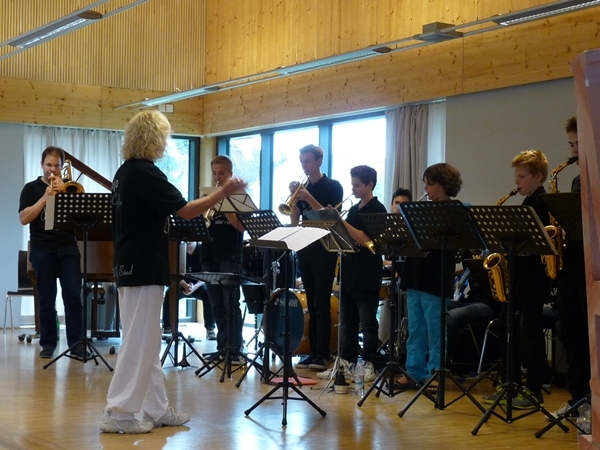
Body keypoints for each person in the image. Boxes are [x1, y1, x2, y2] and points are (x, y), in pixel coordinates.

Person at [100, 110, 246, 434]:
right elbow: (187, 210)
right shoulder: (145, 173)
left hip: (130, 265)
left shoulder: (125, 172)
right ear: (153, 138)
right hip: (142, 267)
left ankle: (155, 408)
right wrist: (223, 192)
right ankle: (119, 412)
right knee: (139, 342)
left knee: (147, 341)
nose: (166, 144)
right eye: (164, 137)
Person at [482, 150, 551, 409]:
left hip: (533, 277)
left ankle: (534, 389)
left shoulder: (542, 203)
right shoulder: (527, 202)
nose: (516, 181)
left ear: (538, 176)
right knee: (505, 324)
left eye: (521, 177)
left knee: (530, 331)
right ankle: (508, 382)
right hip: (519, 275)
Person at [396, 163, 462, 393]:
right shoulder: (421, 210)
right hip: (415, 272)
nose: (425, 188)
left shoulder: (454, 210)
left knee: (436, 328)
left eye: (429, 184)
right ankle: (413, 371)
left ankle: (436, 372)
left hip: (436, 274)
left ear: (442, 185)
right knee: (415, 328)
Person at [317, 165, 387, 382]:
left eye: (357, 185)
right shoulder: (354, 209)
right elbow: (345, 237)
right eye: (352, 185)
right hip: (349, 271)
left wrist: (341, 220)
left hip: (367, 273)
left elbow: (366, 240)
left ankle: (369, 363)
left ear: (370, 185)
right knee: (347, 323)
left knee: (368, 323)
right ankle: (347, 363)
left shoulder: (377, 209)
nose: (353, 189)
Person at [18, 146, 86, 359]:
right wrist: (45, 197)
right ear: (42, 165)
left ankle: (76, 343)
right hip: (42, 248)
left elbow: (81, 218)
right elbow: (24, 218)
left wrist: (65, 193)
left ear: (62, 167)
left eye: (56, 166)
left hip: (68, 248)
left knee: (73, 296)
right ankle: (48, 344)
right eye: (49, 165)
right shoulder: (31, 189)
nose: (52, 170)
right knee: (47, 298)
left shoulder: (70, 188)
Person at [290, 144, 343, 371]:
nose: (304, 165)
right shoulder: (303, 188)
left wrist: (308, 197)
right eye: (302, 162)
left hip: (324, 249)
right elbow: (295, 221)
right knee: (311, 302)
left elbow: (330, 216)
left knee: (321, 303)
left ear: (319, 161)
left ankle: (323, 354)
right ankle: (312, 353)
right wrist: (294, 200)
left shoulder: (333, 186)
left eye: (308, 161)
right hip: (305, 247)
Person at [551, 117, 590, 418]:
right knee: (572, 332)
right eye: (571, 144)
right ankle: (578, 399)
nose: (574, 150)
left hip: (593, 268)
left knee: (591, 337)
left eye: (579, 143)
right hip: (574, 264)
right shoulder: (577, 180)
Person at [201, 155, 246, 364]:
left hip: (230, 253)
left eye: (222, 173)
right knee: (216, 303)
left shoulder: (240, 196)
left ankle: (235, 348)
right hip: (209, 253)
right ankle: (222, 347)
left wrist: (223, 206)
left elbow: (242, 227)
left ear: (230, 173)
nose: (217, 177)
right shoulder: (211, 195)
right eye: (214, 173)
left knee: (230, 303)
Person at [446, 254, 501, 372]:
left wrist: (480, 266)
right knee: (436, 307)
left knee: (452, 316)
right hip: (469, 299)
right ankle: (424, 360)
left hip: (489, 304)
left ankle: (444, 363)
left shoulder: (495, 253)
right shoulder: (470, 252)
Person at [162, 241, 216, 341]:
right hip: (181, 283)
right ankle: (168, 326)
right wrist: (184, 285)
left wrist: (194, 287)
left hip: (198, 285)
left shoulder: (202, 249)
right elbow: (173, 271)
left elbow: (206, 273)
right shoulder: (178, 249)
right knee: (170, 293)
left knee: (208, 293)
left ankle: (210, 328)